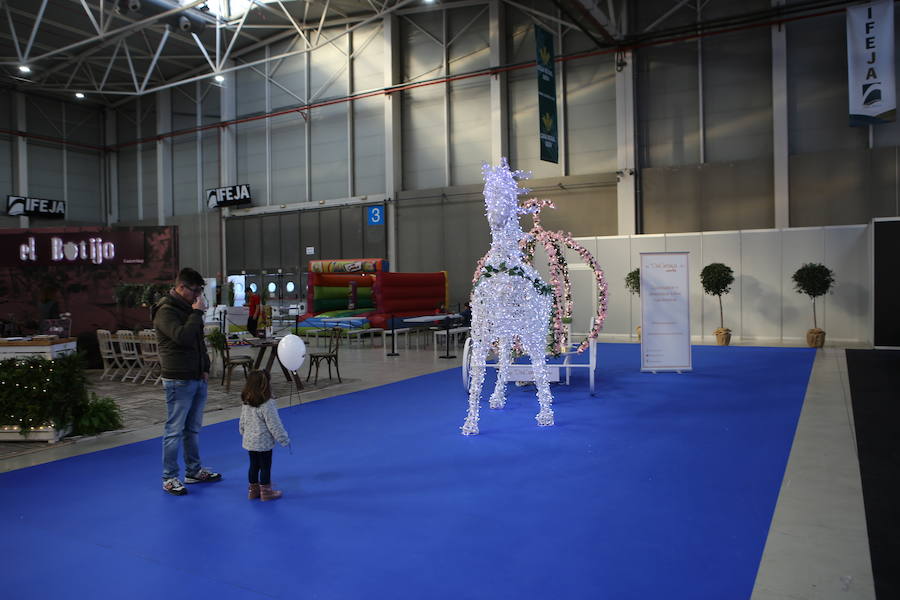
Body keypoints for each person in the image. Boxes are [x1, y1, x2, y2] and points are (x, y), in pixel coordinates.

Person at [152, 267, 222, 496]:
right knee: (174, 430)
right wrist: (197, 313)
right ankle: (169, 477)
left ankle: (193, 470)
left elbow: (198, 342)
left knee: (192, 429)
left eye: (200, 291)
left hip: (195, 376)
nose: (198, 296)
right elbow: (182, 337)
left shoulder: (189, 309)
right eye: (195, 291)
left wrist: (204, 368)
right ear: (181, 287)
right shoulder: (165, 310)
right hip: (177, 379)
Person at [240, 370, 291, 501]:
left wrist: (243, 432)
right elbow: (274, 424)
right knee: (265, 466)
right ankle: (266, 492)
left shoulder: (247, 401)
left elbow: (242, 420)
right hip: (263, 443)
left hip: (250, 441)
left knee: (253, 465)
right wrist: (284, 439)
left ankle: (253, 490)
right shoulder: (267, 404)